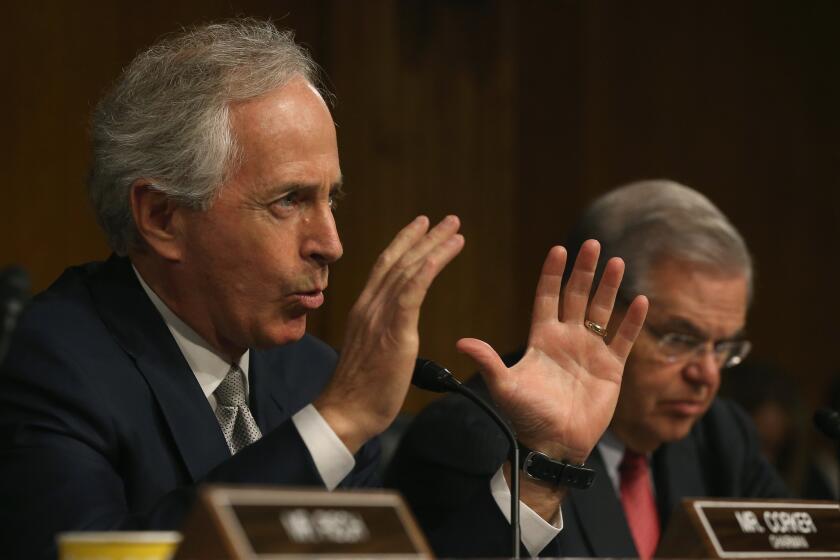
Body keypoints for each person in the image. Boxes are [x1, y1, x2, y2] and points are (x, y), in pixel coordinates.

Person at [0, 19, 649, 559]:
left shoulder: (308, 371)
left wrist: (540, 469)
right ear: (163, 216)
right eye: (290, 200)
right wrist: (333, 423)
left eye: (330, 199)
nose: (331, 242)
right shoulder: (56, 359)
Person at [387, 180, 789, 558]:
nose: (707, 375)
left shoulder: (720, 434)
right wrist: (549, 460)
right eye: (679, 339)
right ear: (592, 310)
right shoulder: (477, 436)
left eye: (723, 347)